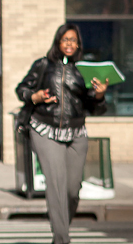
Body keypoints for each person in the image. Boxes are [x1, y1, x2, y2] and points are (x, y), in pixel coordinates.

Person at [15, 23, 108, 244]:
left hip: (76, 132)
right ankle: (61, 239)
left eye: (73, 40)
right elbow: (21, 89)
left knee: (73, 189)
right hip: (44, 129)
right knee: (56, 184)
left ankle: (62, 226)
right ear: (58, 42)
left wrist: (100, 95)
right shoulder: (43, 65)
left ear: (78, 45)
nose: (69, 44)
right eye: (65, 39)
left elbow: (97, 109)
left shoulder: (84, 70)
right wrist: (34, 96)